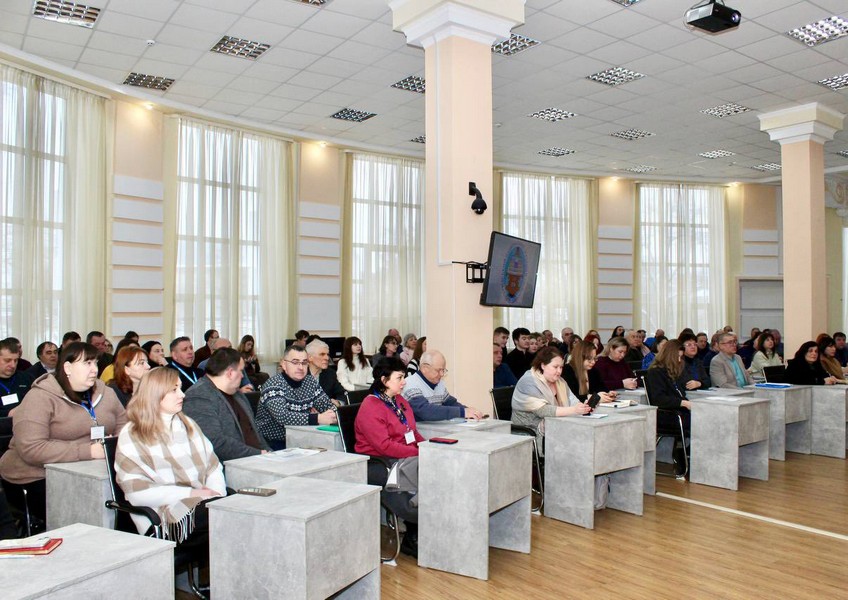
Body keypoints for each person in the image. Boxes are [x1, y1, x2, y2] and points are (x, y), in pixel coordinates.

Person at [0, 342, 127, 522]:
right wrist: (89, 451)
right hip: (35, 476)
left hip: (94, 470)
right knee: (90, 507)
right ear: (67, 368)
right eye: (87, 363)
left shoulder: (106, 393)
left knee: (129, 495)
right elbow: (32, 448)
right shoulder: (40, 397)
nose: (94, 370)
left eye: (95, 363)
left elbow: (124, 428)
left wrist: (113, 444)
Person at [115, 367, 225, 549]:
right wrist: (192, 494)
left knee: (236, 506)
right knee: (226, 515)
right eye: (174, 390)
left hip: (201, 504)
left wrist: (217, 494)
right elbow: (137, 494)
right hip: (163, 519)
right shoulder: (133, 434)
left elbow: (213, 466)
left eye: (180, 388)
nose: (182, 394)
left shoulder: (187, 424)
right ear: (155, 394)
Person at [354, 357, 423, 557]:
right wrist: (417, 453)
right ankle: (413, 534)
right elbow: (383, 446)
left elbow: (412, 432)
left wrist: (427, 447)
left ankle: (419, 530)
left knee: (433, 469)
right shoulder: (371, 406)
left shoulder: (400, 401)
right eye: (399, 378)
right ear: (384, 380)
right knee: (411, 476)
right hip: (377, 461)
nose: (404, 382)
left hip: (402, 457)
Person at [183, 348, 270, 461]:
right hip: (232, 465)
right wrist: (258, 454)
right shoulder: (198, 397)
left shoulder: (237, 394)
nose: (242, 376)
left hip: (258, 459)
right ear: (230, 373)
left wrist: (270, 453)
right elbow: (214, 441)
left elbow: (255, 431)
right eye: (241, 371)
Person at [511, 346, 591, 453]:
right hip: (530, 432)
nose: (559, 371)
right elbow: (543, 410)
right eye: (555, 367)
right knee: (576, 441)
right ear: (543, 365)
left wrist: (582, 407)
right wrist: (574, 410)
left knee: (583, 436)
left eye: (561, 367)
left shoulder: (560, 381)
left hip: (553, 427)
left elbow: (572, 400)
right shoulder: (528, 381)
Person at [255, 344, 337, 450]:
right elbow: (283, 416)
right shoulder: (273, 385)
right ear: (284, 364)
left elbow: (328, 406)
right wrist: (318, 418)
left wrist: (334, 415)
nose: (300, 367)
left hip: (301, 438)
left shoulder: (310, 382)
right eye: (295, 362)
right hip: (271, 443)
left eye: (304, 363)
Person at [644, 340, 692, 475]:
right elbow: (659, 399)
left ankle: (686, 452)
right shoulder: (656, 372)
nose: (679, 360)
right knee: (701, 423)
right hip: (667, 415)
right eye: (677, 357)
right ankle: (683, 454)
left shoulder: (674, 371)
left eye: (681, 357)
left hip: (678, 412)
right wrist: (683, 403)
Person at [404, 350, 484, 421]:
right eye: (438, 370)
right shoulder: (410, 383)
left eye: (443, 370)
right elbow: (425, 411)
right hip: (418, 431)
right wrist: (462, 412)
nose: (442, 374)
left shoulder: (439, 383)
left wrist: (469, 411)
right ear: (425, 368)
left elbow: (451, 403)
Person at [0, 339, 35, 417]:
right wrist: (8, 413)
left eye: (16, 360)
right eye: (7, 360)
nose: (13, 365)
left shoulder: (27, 378)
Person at [306, 339, 345, 404]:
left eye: (327, 354)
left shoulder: (330, 373)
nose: (327, 358)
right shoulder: (299, 374)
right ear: (310, 357)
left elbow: (342, 394)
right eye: (322, 354)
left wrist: (338, 402)